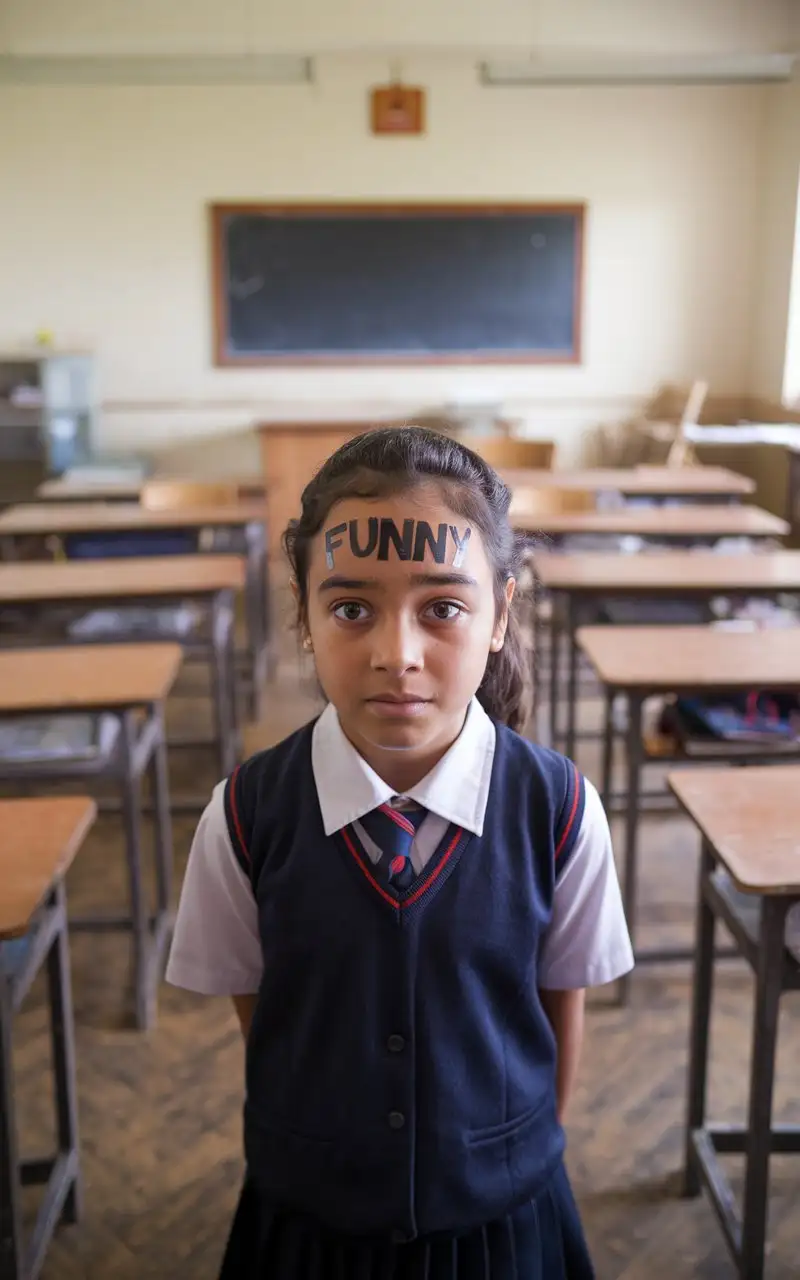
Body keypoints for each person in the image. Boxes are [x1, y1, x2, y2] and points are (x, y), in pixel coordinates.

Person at [166, 426, 634, 1278]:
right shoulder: (243, 816)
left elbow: (558, 1005)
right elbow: (263, 1010)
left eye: (443, 607)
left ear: (501, 615)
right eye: (351, 608)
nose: (397, 654)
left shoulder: (560, 810)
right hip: (309, 1221)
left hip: (504, 1221)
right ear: (304, 619)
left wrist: (518, 1156)